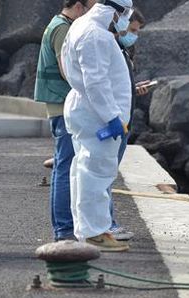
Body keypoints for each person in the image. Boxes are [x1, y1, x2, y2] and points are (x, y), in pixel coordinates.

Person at [60, 0, 133, 251]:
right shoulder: (97, 35)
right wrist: (112, 117)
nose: (125, 20)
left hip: (86, 109)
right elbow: (96, 81)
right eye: (125, 14)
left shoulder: (82, 25)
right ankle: (95, 232)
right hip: (97, 115)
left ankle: (87, 229)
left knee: (83, 171)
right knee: (96, 174)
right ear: (116, 11)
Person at [34, 0, 97, 242]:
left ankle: (64, 228)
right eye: (90, 6)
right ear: (79, 6)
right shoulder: (63, 28)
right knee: (65, 166)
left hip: (59, 104)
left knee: (63, 164)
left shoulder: (57, 24)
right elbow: (66, 69)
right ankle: (64, 229)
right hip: (63, 105)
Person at [105, 7, 147, 242]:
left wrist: (133, 88)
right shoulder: (109, 47)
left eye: (137, 32)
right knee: (104, 175)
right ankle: (107, 225)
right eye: (132, 30)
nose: (133, 36)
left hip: (122, 121)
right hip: (114, 122)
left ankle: (106, 223)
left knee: (106, 175)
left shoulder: (123, 50)